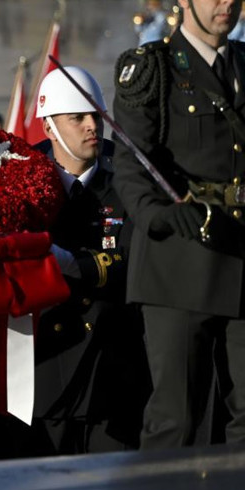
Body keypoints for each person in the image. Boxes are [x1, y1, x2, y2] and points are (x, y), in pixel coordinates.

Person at [112, 0, 245, 449]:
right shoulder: (150, 69)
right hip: (181, 258)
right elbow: (132, 166)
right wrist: (161, 215)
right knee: (177, 419)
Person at [31, 67, 148, 454]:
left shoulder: (128, 175)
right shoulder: (23, 177)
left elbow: (137, 256)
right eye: (76, 117)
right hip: (48, 367)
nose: (90, 126)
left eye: (95, 116)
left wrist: (76, 265)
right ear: (49, 127)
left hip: (112, 365)